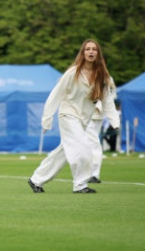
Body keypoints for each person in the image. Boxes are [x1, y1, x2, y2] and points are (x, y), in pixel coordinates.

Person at [27, 39, 119, 194]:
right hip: (68, 115)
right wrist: (47, 120)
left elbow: (107, 100)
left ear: (98, 53)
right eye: (87, 49)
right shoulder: (72, 72)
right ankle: (80, 185)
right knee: (84, 147)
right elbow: (55, 95)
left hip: (83, 119)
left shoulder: (102, 76)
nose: (91, 52)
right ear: (83, 53)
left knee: (63, 152)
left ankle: (36, 180)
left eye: (94, 49)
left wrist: (114, 121)